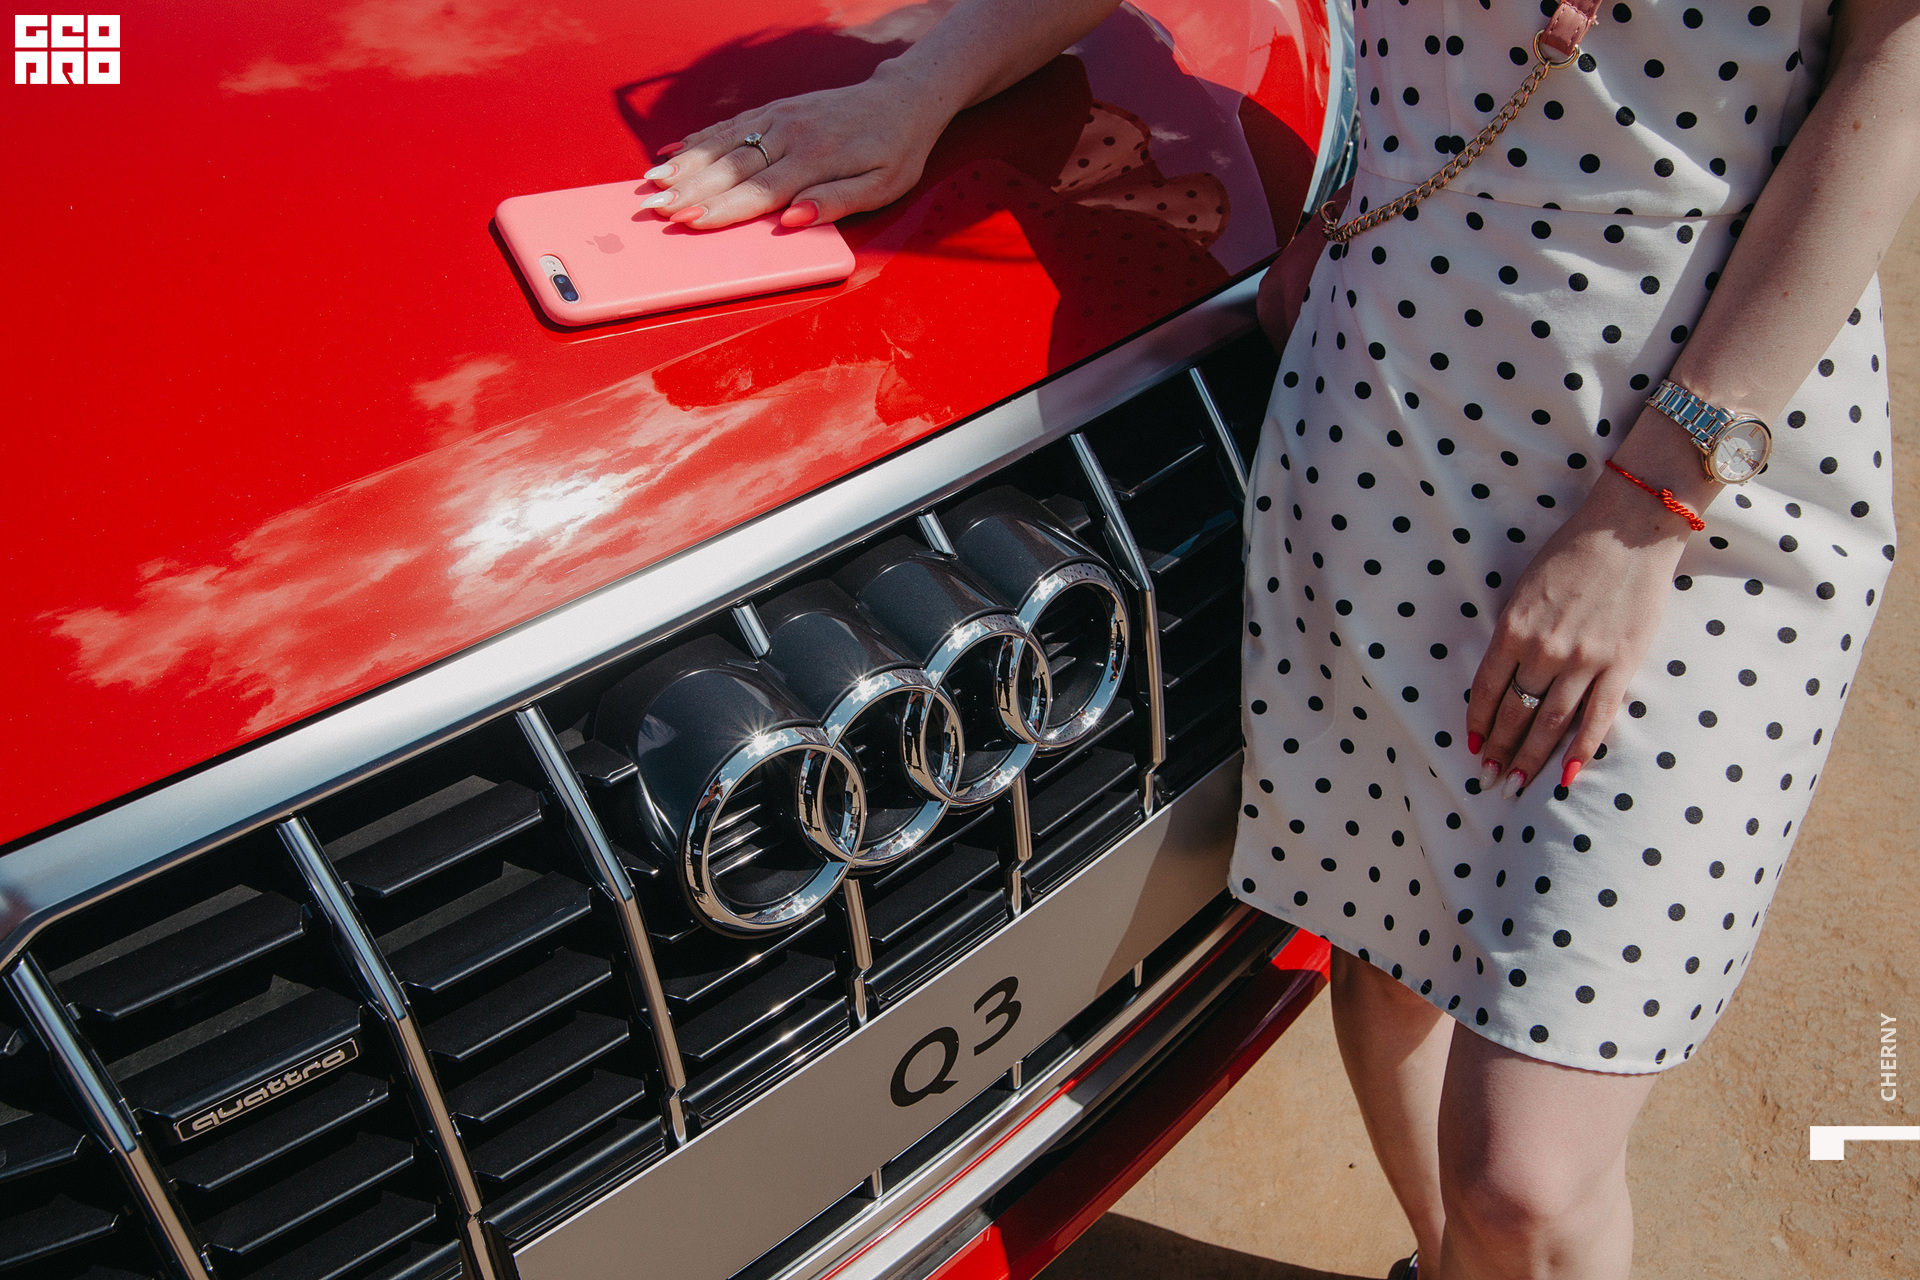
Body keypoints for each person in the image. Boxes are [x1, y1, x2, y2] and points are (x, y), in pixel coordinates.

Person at [637, 1, 1919, 1275]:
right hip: (1387, 438)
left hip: (1689, 487)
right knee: (1390, 958)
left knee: (1526, 1174)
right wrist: (914, 91)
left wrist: (1645, 512)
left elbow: (1895, 64)